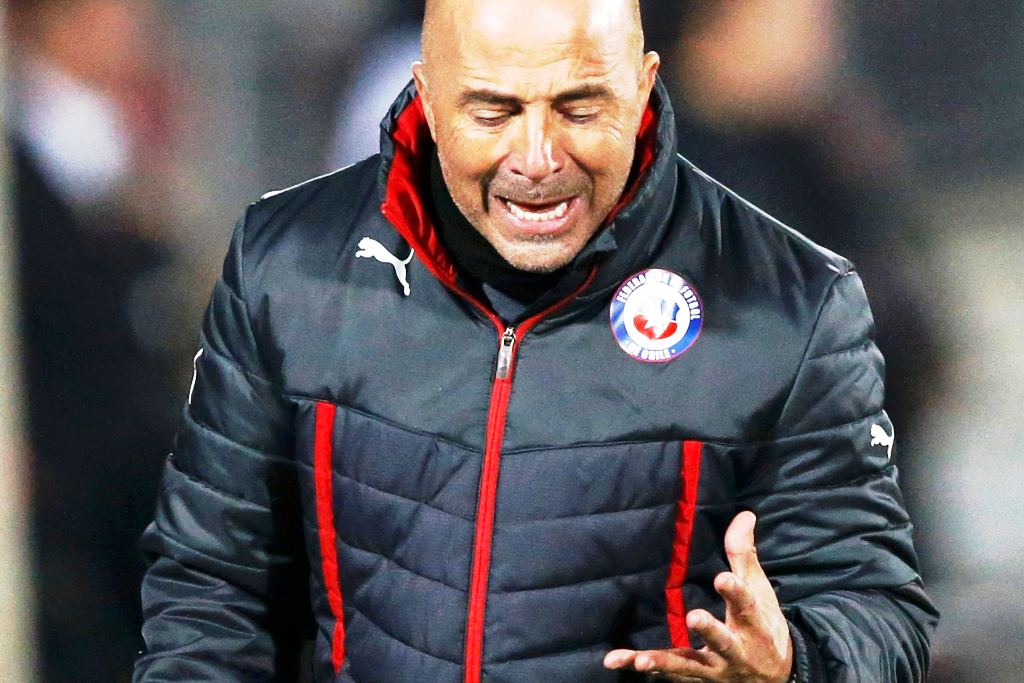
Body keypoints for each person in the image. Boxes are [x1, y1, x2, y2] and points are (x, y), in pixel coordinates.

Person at [134, 0, 937, 680]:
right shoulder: (288, 266)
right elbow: (211, 587)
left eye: (581, 108)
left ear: (645, 86)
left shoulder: (788, 300)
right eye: (494, 111)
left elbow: (877, 608)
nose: (539, 158)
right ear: (427, 93)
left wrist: (796, 658)